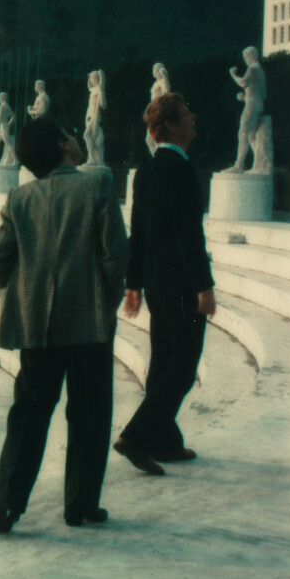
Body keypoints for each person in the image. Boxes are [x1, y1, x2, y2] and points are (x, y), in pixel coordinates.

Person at [0, 116, 129, 532]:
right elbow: (115, 256)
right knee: (88, 413)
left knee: (29, 412)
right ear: (65, 145)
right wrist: (108, 299)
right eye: (71, 134)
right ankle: (81, 505)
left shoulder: (18, 198)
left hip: (35, 326)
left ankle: (5, 505)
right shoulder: (97, 185)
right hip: (89, 321)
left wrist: (23, 290)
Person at [114, 92, 216, 475]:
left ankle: (164, 441)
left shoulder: (146, 171)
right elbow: (189, 234)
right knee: (182, 367)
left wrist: (134, 283)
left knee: (163, 361)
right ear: (170, 125)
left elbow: (136, 231)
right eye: (186, 114)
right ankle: (136, 436)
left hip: (157, 282)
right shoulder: (182, 170)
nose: (193, 118)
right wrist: (203, 286)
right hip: (183, 282)